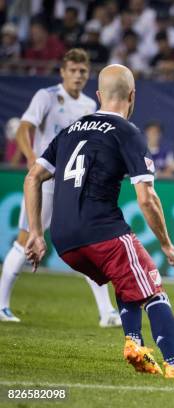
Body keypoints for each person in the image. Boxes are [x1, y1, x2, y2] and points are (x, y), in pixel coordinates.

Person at [23, 64, 174, 380]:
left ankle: (135, 344)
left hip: (64, 240)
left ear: (98, 95)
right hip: (101, 231)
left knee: (125, 279)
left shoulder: (71, 129)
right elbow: (147, 198)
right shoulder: (127, 132)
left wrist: (35, 232)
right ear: (132, 95)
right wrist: (166, 243)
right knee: (154, 288)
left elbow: (33, 176)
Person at [0, 48, 121, 327]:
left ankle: (107, 313)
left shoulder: (90, 106)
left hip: (73, 185)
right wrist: (31, 157)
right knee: (26, 239)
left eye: (83, 71)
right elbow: (23, 127)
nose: (78, 75)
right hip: (45, 182)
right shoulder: (46, 96)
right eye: (73, 70)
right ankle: (2, 305)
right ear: (62, 72)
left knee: (87, 245)